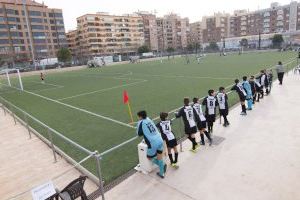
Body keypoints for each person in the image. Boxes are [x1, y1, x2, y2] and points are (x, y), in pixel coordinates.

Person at [137, 111, 167, 178]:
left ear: (140, 117)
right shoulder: (148, 119)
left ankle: (162, 165)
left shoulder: (141, 122)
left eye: (138, 116)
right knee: (159, 156)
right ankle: (162, 173)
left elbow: (139, 134)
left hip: (153, 143)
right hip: (160, 139)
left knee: (149, 157)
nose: (138, 118)